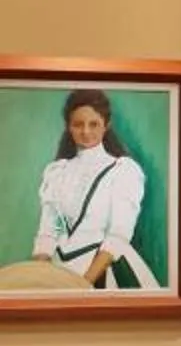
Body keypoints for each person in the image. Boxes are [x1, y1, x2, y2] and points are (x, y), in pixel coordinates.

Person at [29, 89, 156, 290]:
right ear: (68, 127)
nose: (86, 132)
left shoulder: (123, 170)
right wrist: (39, 280)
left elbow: (118, 235)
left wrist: (83, 285)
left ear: (106, 125)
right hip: (58, 273)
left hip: (102, 271)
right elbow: (48, 232)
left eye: (93, 124)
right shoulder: (56, 172)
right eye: (78, 124)